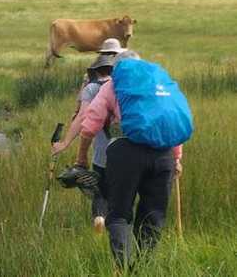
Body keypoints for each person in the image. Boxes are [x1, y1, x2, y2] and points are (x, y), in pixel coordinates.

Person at [70, 51, 186, 268]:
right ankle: (143, 267)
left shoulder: (113, 85)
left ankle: (122, 268)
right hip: (163, 154)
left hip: (125, 152)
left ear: (117, 69)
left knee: (120, 214)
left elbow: (90, 124)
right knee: (153, 215)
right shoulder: (158, 84)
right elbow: (171, 121)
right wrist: (177, 158)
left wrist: (81, 157)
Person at [52, 55, 117, 232]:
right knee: (120, 194)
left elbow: (82, 117)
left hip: (101, 153)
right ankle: (116, 225)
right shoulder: (122, 87)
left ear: (95, 71)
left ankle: (99, 219)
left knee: (99, 192)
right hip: (126, 150)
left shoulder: (91, 89)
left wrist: (65, 143)